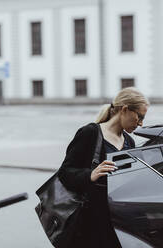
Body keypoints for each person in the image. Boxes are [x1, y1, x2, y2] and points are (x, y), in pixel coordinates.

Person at [58, 87, 149, 248]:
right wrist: (90, 175)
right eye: (139, 117)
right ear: (125, 109)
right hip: (89, 223)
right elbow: (65, 173)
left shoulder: (129, 141)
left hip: (117, 221)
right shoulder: (90, 133)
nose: (141, 123)